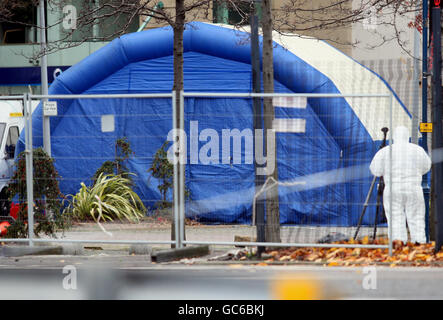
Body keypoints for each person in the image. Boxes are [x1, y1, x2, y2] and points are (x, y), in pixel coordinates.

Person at [369, 126, 431, 243]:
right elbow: (427, 166)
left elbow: (376, 170)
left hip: (393, 188)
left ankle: (398, 245)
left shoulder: (385, 151)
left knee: (395, 218)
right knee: (416, 217)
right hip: (413, 187)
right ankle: (419, 244)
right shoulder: (417, 150)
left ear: (394, 137)